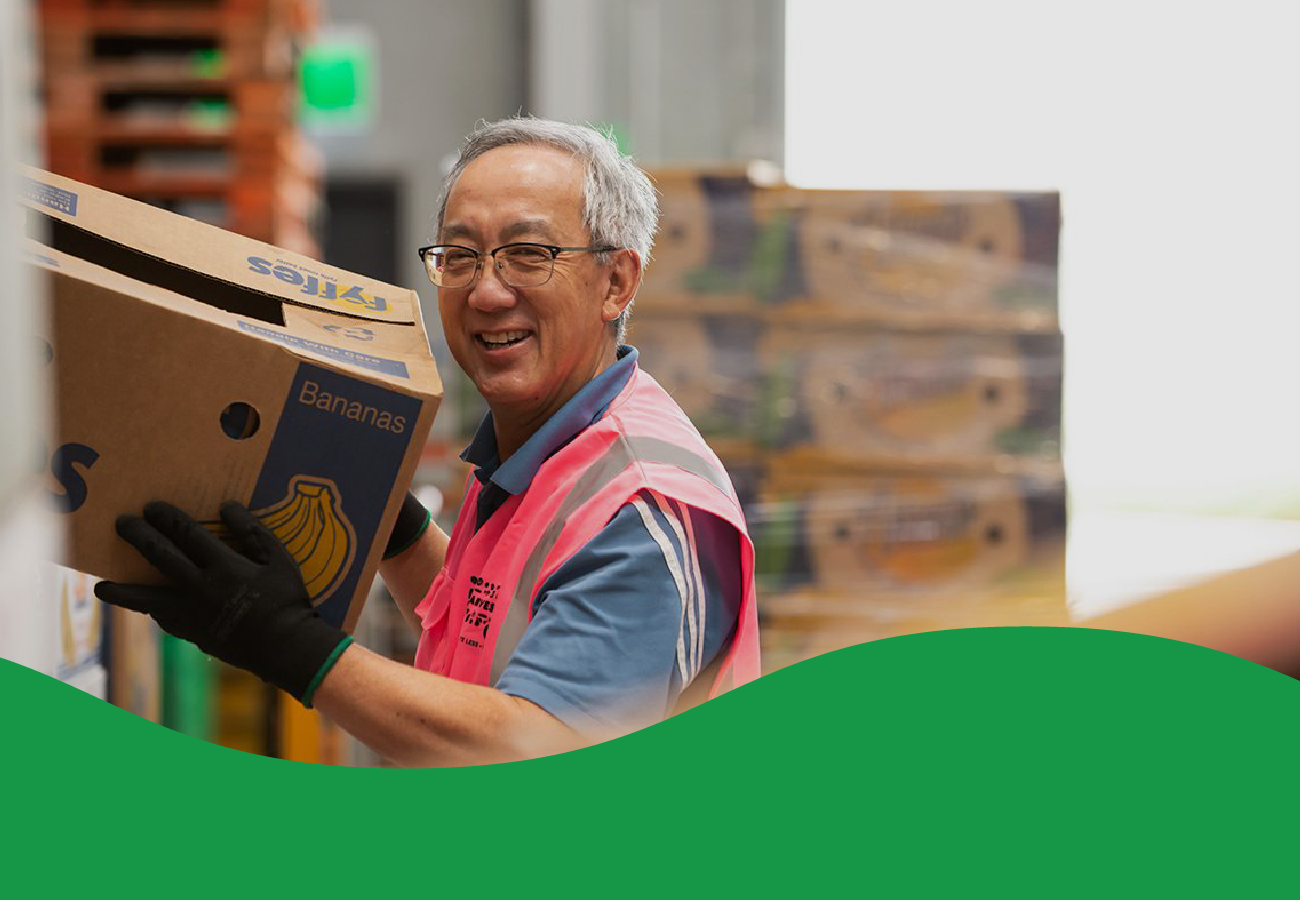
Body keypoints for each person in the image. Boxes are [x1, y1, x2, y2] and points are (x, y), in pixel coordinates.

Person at [94, 117, 761, 767]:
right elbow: (485, 627)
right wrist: (388, 520)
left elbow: (530, 745)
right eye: (461, 256)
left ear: (617, 282)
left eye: (529, 255)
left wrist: (287, 643)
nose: (488, 292)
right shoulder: (544, 449)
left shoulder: (641, 507)